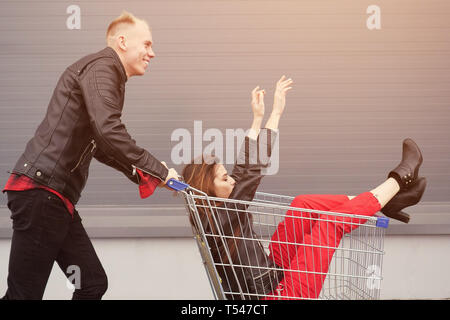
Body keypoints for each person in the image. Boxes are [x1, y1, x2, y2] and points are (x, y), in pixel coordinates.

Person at [181, 76, 427, 300]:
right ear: (208, 190)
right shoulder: (218, 218)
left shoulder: (214, 212)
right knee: (331, 223)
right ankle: (398, 180)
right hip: (276, 297)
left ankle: (387, 200)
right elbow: (250, 173)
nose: (232, 180)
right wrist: (276, 112)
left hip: (269, 272)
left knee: (303, 204)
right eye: (224, 179)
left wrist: (257, 118)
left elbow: (242, 171)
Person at [1, 11, 179, 300]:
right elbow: (108, 131)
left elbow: (101, 144)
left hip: (55, 199)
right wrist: (157, 169)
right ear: (122, 41)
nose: (152, 53)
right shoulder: (103, 68)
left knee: (91, 283)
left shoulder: (107, 73)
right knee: (23, 296)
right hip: (41, 193)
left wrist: (144, 174)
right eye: (146, 44)